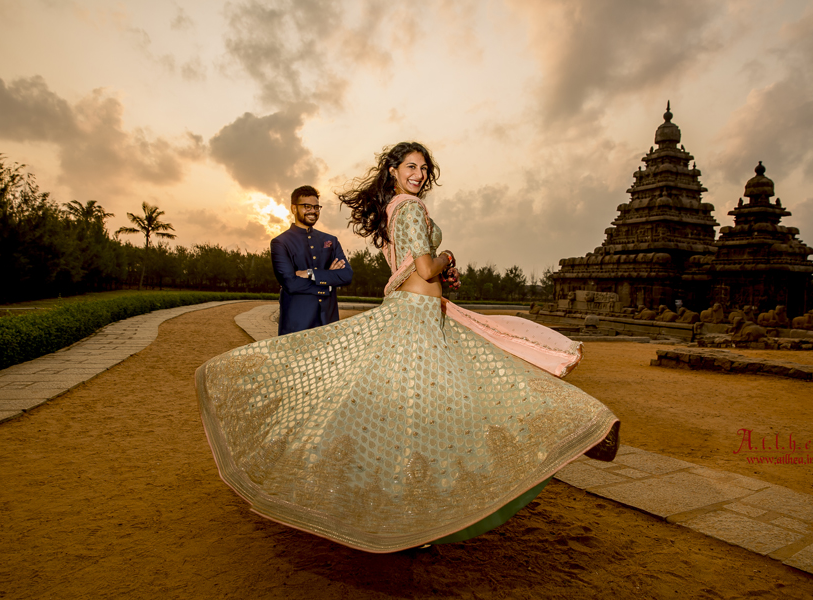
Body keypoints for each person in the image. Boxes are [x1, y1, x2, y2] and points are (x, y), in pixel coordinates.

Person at [196, 142, 619, 553]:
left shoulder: (391, 211)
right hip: (416, 320)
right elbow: (422, 266)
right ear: (394, 171)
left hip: (410, 309)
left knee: (407, 417)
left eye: (422, 169)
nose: (417, 175)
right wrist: (446, 257)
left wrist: (440, 275)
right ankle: (586, 426)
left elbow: (409, 268)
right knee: (476, 392)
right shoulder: (411, 207)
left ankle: (404, 515)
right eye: (410, 167)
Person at [270, 185, 353, 335]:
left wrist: (311, 273)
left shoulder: (330, 240)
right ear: (294, 208)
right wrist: (328, 283)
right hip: (297, 325)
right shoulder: (281, 242)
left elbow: (347, 275)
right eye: (307, 206)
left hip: (328, 325)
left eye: (316, 207)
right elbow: (291, 283)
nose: (313, 211)